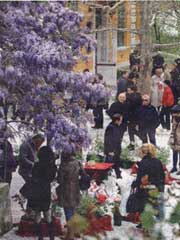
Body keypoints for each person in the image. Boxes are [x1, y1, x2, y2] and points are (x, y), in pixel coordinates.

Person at [27, 146, 57, 240]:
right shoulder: (53, 166)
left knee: (37, 214)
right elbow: (52, 178)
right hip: (45, 191)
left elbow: (33, 177)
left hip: (36, 191)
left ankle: (40, 237)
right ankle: (51, 237)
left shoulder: (36, 165)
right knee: (47, 214)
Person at [131, 144, 165, 220]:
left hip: (145, 190)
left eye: (140, 151)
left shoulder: (143, 162)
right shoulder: (158, 161)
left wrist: (134, 184)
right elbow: (162, 176)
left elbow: (140, 178)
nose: (139, 153)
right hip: (157, 188)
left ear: (144, 152)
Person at [18, 134, 45, 216]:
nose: (39, 145)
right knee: (33, 183)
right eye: (39, 143)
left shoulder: (35, 147)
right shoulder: (25, 145)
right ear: (36, 139)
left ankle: (29, 210)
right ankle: (21, 194)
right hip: (26, 170)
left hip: (33, 171)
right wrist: (33, 164)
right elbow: (22, 158)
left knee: (33, 190)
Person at [57, 152, 81, 222]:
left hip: (65, 190)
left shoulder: (63, 165)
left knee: (67, 210)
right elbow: (83, 173)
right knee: (74, 209)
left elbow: (59, 180)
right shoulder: (77, 162)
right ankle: (75, 228)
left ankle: (70, 230)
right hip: (76, 188)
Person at [104, 114, 124, 178]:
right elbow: (108, 140)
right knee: (108, 166)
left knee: (116, 164)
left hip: (116, 150)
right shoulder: (110, 128)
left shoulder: (116, 126)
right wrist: (109, 151)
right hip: (111, 151)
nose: (121, 122)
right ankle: (104, 177)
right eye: (120, 120)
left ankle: (118, 176)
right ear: (116, 121)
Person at [126, 86, 142, 150]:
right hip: (137, 116)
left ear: (132, 90)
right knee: (132, 130)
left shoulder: (130, 98)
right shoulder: (139, 96)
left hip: (131, 116)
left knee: (131, 130)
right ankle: (141, 139)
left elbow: (128, 107)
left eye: (128, 90)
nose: (127, 91)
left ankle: (133, 143)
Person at [169, 100, 180, 173]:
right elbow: (173, 129)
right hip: (174, 139)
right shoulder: (174, 118)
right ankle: (174, 167)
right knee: (174, 154)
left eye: (175, 113)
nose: (174, 115)